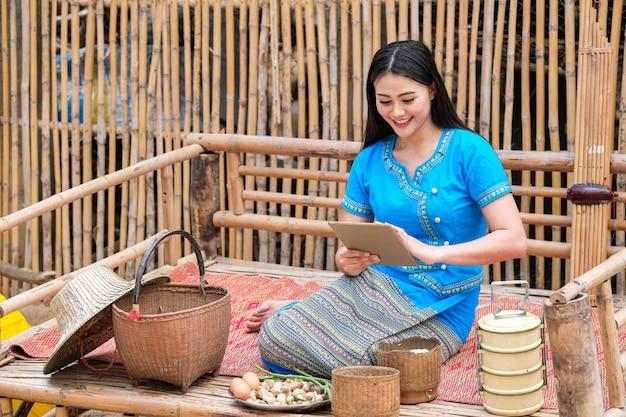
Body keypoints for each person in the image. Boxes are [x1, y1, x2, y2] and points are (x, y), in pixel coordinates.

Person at [245, 40, 527, 379]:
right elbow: (350, 249)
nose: (396, 112)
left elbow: (513, 240)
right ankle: (298, 313)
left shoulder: (470, 151)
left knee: (376, 365)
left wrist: (430, 252)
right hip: (374, 286)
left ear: (433, 91)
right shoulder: (369, 161)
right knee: (277, 338)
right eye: (385, 101)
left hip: (445, 304)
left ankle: (302, 312)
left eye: (408, 100)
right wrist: (346, 260)